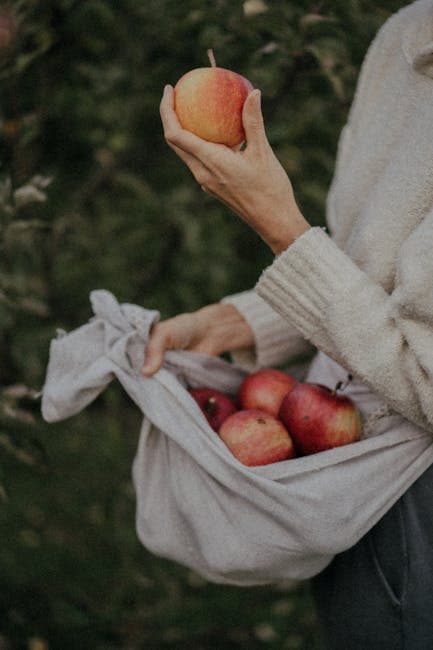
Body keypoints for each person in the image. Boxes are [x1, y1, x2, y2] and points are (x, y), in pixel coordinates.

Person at [142, 1, 433, 647]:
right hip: (340, 467)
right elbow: (369, 260)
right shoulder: (406, 38)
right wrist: (240, 320)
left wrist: (277, 224)